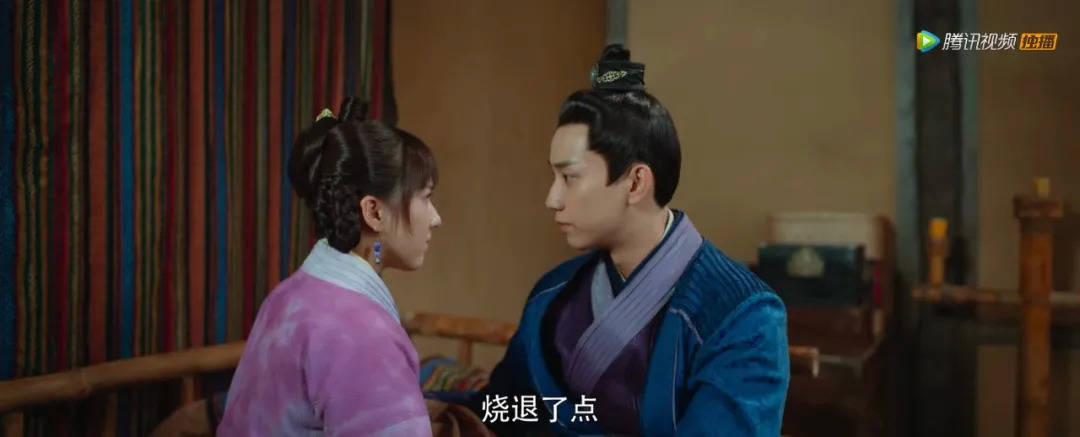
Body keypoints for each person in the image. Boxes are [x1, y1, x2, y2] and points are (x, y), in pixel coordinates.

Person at [470, 45, 790, 436]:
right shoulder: (552, 295)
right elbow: (507, 410)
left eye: (569, 178)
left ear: (636, 182)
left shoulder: (741, 314)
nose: (552, 199)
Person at [219, 97, 442, 436]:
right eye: (425, 197)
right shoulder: (363, 334)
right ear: (374, 212)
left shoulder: (288, 296)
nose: (435, 218)